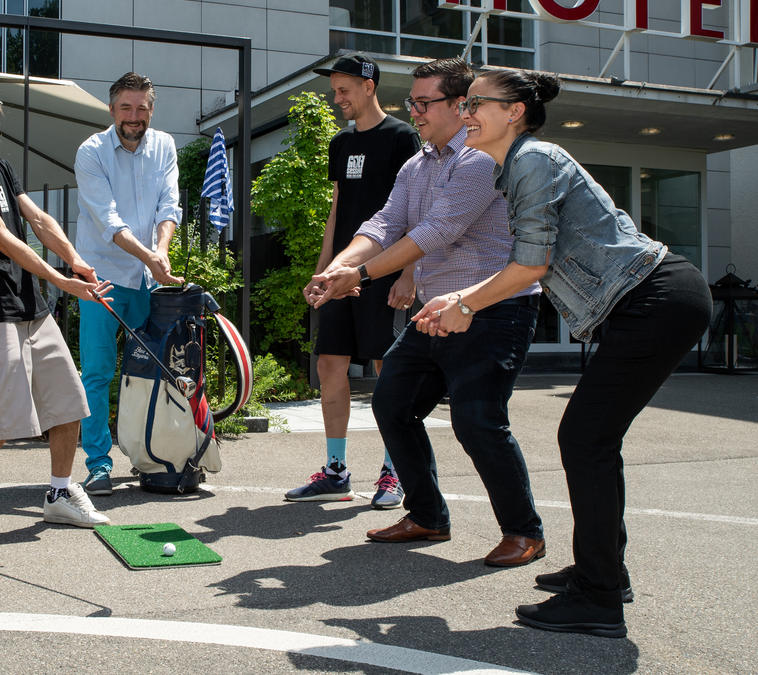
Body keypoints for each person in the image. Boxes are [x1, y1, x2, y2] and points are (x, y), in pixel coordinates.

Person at [416, 68, 712, 637]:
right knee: (591, 438)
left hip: (657, 299)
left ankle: (599, 597)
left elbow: (532, 267)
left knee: (584, 438)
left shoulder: (534, 160)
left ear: (515, 112)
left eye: (479, 102)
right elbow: (528, 261)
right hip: (651, 303)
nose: (467, 111)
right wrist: (462, 295)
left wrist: (466, 305)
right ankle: (605, 572)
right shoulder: (515, 167)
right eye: (467, 102)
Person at [309, 58, 546, 568]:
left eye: (424, 102)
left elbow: (438, 230)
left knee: (478, 420)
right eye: (411, 103)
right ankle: (428, 516)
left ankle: (525, 532)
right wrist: (339, 266)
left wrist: (363, 276)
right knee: (392, 402)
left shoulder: (480, 160)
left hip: (492, 310)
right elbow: (385, 221)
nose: (414, 111)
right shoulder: (416, 165)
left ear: (462, 106)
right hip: (434, 311)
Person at [0, 75, 113, 551]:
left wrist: (74, 257)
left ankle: (58, 491)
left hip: (33, 308)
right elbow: (3, 239)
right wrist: (62, 281)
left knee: (69, 401)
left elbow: (36, 219)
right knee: (5, 415)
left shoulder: (2, 167)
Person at [293, 54, 420, 508]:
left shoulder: (403, 137)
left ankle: (394, 471)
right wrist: (324, 269)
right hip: (343, 271)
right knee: (330, 363)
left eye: (345, 89)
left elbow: (416, 211)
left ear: (369, 86)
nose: (337, 97)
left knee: (388, 369)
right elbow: (337, 209)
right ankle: (335, 471)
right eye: (335, 90)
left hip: (384, 273)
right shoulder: (341, 142)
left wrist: (408, 273)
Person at [73, 72, 183, 496]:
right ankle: (98, 465)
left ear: (151, 110)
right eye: (126, 107)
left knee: (149, 373)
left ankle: (147, 455)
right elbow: (108, 220)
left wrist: (162, 250)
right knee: (98, 373)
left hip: (147, 277)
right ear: (111, 108)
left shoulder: (165, 146)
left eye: (142, 108)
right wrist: (152, 258)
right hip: (101, 276)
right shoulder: (92, 152)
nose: (134, 116)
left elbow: (168, 205)